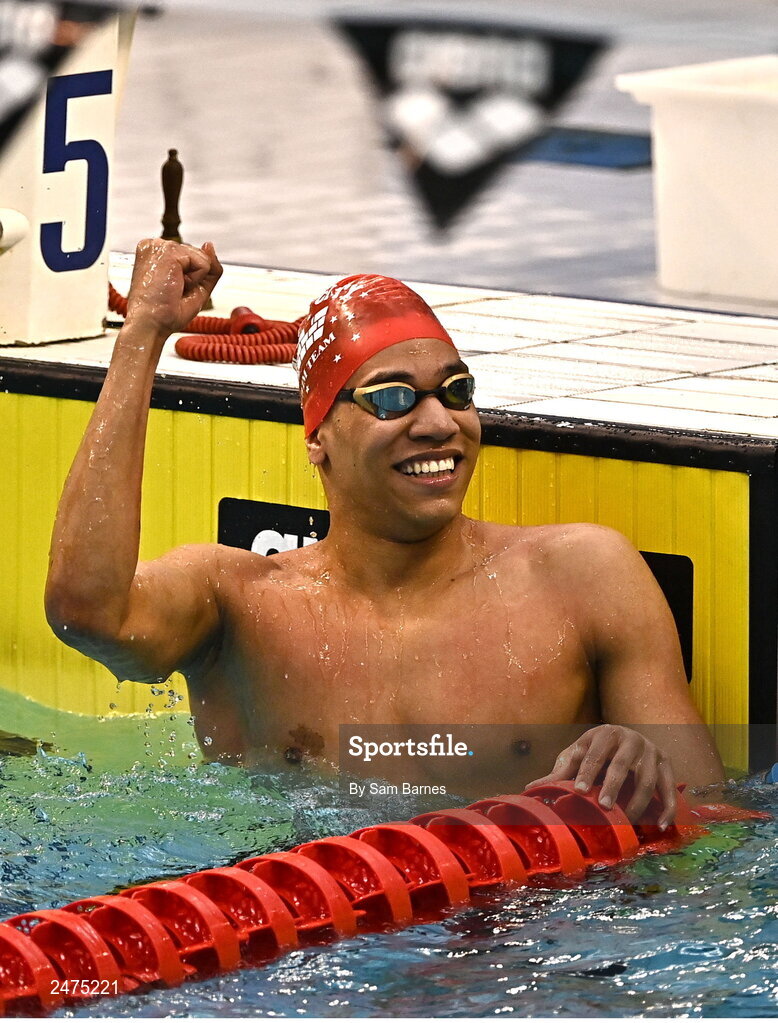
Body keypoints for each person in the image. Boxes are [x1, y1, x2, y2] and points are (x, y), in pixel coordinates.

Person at [45, 239, 724, 827]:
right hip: (289, 956)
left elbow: (718, 832)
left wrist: (653, 778)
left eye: (456, 391)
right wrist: (141, 335)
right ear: (319, 439)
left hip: (516, 952)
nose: (437, 423)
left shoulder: (582, 578)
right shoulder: (240, 602)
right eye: (392, 398)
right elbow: (86, 612)